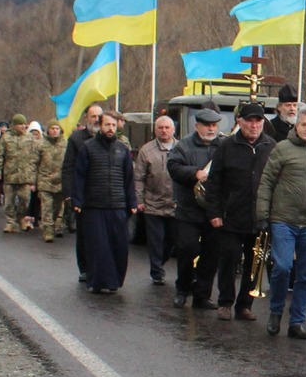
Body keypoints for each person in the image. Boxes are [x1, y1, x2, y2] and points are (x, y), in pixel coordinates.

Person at [256, 104, 306, 338]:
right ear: (297, 125)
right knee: (282, 267)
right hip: (283, 219)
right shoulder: (283, 149)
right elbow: (267, 182)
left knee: (305, 274)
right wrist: (262, 215)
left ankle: (297, 321)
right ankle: (275, 311)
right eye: (304, 125)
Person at [201, 101, 274, 320]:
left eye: (258, 121)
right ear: (239, 122)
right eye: (249, 120)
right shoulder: (227, 146)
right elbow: (214, 182)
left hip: (259, 216)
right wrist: (214, 212)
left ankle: (245, 305)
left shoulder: (271, 146)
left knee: (255, 262)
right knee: (230, 259)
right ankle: (225, 302)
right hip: (231, 215)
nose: (253, 125)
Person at [70, 111, 141, 293]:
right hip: (94, 206)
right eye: (107, 125)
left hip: (117, 206)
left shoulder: (122, 150)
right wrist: (77, 200)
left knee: (119, 245)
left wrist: (132, 202)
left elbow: (128, 178)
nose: (110, 129)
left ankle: (114, 281)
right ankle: (97, 281)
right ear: (100, 126)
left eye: (113, 125)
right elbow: (79, 176)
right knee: (98, 246)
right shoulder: (88, 148)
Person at [169, 108, 221, 307]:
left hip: (213, 209)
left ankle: (202, 294)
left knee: (211, 254)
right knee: (187, 249)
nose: (211, 129)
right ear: (196, 126)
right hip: (189, 208)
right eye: (207, 125)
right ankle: (182, 289)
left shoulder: (222, 145)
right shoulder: (184, 145)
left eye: (214, 125)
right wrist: (194, 173)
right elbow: (173, 167)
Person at [61, 103, 104, 281]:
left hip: (103, 194)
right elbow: (68, 167)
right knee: (85, 234)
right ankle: (85, 268)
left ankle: (100, 267)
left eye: (99, 117)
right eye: (93, 116)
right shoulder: (77, 139)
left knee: (102, 234)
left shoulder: (108, 138)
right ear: (87, 118)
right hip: (83, 194)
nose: (96, 120)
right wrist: (70, 194)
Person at [135, 114, 176, 285]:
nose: (164, 130)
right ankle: (156, 271)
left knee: (171, 240)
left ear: (173, 129)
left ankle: (162, 260)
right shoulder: (146, 150)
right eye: (161, 127)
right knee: (155, 240)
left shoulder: (181, 148)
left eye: (167, 127)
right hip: (153, 204)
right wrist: (139, 200)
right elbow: (139, 177)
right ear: (155, 130)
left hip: (175, 204)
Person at [0, 113, 36, 233]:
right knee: (9, 201)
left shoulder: (30, 138)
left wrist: (33, 175)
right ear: (14, 125)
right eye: (20, 124)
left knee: (25, 199)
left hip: (25, 176)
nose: (23, 126)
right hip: (10, 175)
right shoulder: (6, 138)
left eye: (24, 124)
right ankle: (10, 222)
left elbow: (35, 157)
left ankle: (21, 218)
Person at [36, 121, 69, 242]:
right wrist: (33, 181)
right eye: (52, 128)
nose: (55, 130)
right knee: (46, 207)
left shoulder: (66, 144)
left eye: (57, 128)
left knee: (57, 207)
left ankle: (54, 224)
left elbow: (69, 163)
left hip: (60, 182)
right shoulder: (41, 144)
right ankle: (48, 231)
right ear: (48, 130)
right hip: (45, 180)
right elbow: (35, 162)